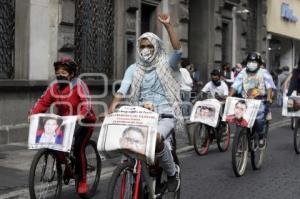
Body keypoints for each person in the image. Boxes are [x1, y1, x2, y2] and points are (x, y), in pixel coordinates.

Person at [100, 14, 182, 192]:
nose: (145, 49)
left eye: (149, 46)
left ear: (157, 47)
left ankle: (172, 172)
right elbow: (122, 90)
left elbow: (177, 51)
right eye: (142, 46)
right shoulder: (133, 68)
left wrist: (168, 26)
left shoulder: (167, 63)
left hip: (164, 114)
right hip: (139, 114)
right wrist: (112, 108)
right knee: (127, 143)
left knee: (156, 140)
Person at [29, 57, 96, 194]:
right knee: (55, 143)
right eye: (58, 72)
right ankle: (68, 168)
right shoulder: (54, 87)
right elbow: (43, 102)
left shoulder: (79, 84)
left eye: (64, 72)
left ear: (71, 74)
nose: (60, 75)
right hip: (65, 121)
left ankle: (82, 180)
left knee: (78, 148)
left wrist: (82, 115)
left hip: (84, 121)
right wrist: (33, 114)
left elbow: (87, 102)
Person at [229, 52, 275, 148]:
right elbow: (235, 85)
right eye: (250, 61)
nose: (251, 63)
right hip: (245, 99)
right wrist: (229, 96)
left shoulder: (263, 72)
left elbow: (269, 86)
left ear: (258, 63)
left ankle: (261, 137)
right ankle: (241, 138)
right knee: (239, 118)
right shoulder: (243, 72)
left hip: (260, 100)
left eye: (254, 61)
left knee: (259, 119)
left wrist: (269, 97)